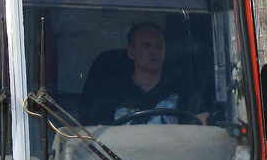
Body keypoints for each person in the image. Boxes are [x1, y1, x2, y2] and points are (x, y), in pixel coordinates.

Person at [79, 22, 207, 125]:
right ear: (131, 52)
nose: (154, 51)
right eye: (147, 46)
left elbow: (202, 120)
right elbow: (95, 133)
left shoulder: (182, 87)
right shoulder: (110, 91)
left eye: (159, 46)